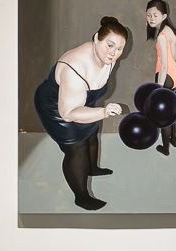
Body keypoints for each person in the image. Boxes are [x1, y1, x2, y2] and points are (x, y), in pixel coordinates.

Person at [33, 17, 131, 210]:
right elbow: (69, 113)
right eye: (110, 45)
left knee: (91, 131)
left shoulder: (106, 57)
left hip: (82, 98)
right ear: (96, 39)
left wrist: (98, 112)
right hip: (56, 106)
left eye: (120, 48)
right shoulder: (74, 67)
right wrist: (103, 111)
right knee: (76, 147)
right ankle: (81, 196)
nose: (114, 53)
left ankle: (92, 168)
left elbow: (92, 88)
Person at [145, 0, 176, 155]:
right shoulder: (171, 32)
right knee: (171, 108)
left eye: (155, 15)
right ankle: (173, 140)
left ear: (164, 16)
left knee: (163, 114)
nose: (151, 19)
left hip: (165, 76)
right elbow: (174, 57)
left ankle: (165, 148)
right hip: (174, 76)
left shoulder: (161, 36)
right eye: (149, 15)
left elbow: (165, 65)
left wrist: (158, 89)